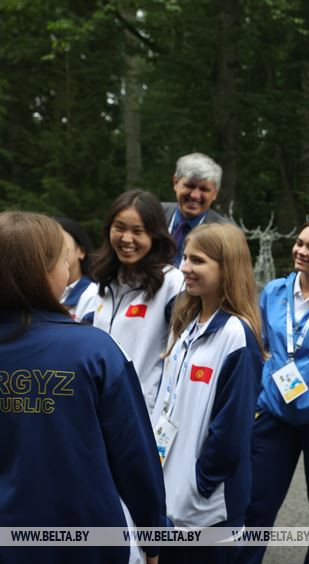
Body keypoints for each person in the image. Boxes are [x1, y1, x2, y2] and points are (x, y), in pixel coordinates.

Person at [0, 211, 165, 564]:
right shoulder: (95, 351)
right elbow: (135, 457)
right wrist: (153, 538)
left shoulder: (95, 351)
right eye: (63, 259)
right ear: (44, 271)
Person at [239, 219, 309, 564]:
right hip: (273, 414)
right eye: (300, 243)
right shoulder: (274, 291)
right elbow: (261, 345)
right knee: (256, 503)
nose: (301, 251)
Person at [152, 223, 263, 564]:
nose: (185, 267)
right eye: (185, 257)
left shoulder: (236, 337)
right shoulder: (187, 324)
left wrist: (199, 483)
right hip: (173, 495)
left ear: (226, 267)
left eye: (197, 260)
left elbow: (230, 430)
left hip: (207, 508)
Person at [82, 190, 184, 411]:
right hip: (94, 410)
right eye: (119, 228)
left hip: (141, 414)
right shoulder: (100, 284)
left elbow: (180, 358)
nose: (126, 239)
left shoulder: (171, 283)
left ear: (155, 235)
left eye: (138, 231)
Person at [162, 152, 232, 266]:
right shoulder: (153, 215)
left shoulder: (225, 235)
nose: (195, 195)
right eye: (190, 186)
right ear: (175, 183)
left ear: (215, 194)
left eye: (204, 189)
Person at [54, 216, 98, 319]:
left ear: (81, 251)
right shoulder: (37, 295)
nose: (52, 249)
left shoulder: (93, 295)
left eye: (59, 241)